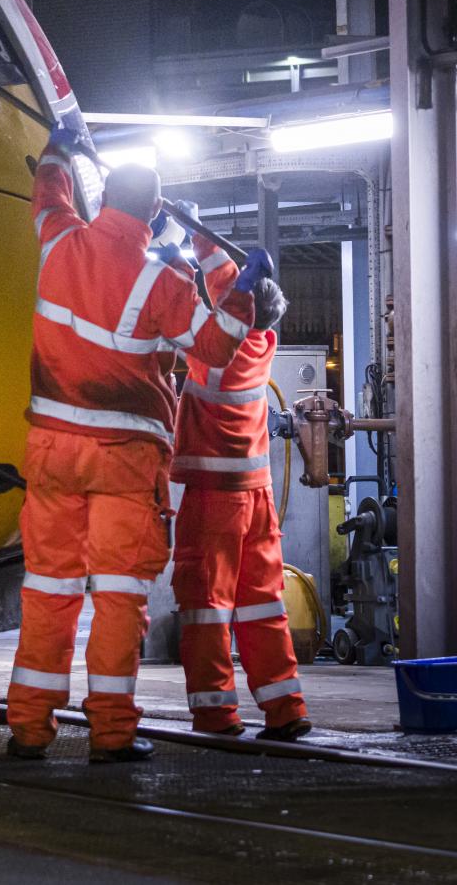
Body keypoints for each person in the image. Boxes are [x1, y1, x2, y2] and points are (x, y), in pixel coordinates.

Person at [8, 117, 272, 763]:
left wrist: (58, 148)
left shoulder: (58, 241)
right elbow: (210, 350)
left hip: (51, 450)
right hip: (124, 462)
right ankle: (112, 734)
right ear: (155, 212)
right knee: (119, 597)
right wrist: (244, 295)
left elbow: (49, 193)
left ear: (101, 200)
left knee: (49, 589)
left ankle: (29, 728)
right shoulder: (163, 283)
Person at [171, 227, 310, 741]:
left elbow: (222, 310)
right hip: (258, 503)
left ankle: (216, 715)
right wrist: (201, 240)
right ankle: (286, 710)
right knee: (262, 606)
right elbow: (232, 295)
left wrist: (183, 259)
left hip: (214, 505)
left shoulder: (215, 357)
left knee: (206, 608)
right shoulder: (264, 342)